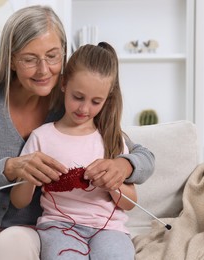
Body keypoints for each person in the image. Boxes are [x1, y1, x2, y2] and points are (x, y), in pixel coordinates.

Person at [0, 5, 154, 260]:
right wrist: (11, 168)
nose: (44, 70)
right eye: (30, 59)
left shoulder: (73, 103)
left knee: (16, 245)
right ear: (11, 58)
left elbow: (141, 154)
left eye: (53, 56)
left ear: (64, 54)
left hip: (26, 227)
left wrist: (124, 165)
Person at [10, 43, 136, 259]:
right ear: (64, 84)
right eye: (78, 97)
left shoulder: (111, 139)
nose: (84, 109)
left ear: (107, 99)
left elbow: (131, 203)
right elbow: (18, 201)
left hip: (109, 229)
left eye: (96, 102)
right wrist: (30, 176)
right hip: (58, 227)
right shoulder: (42, 137)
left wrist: (113, 185)